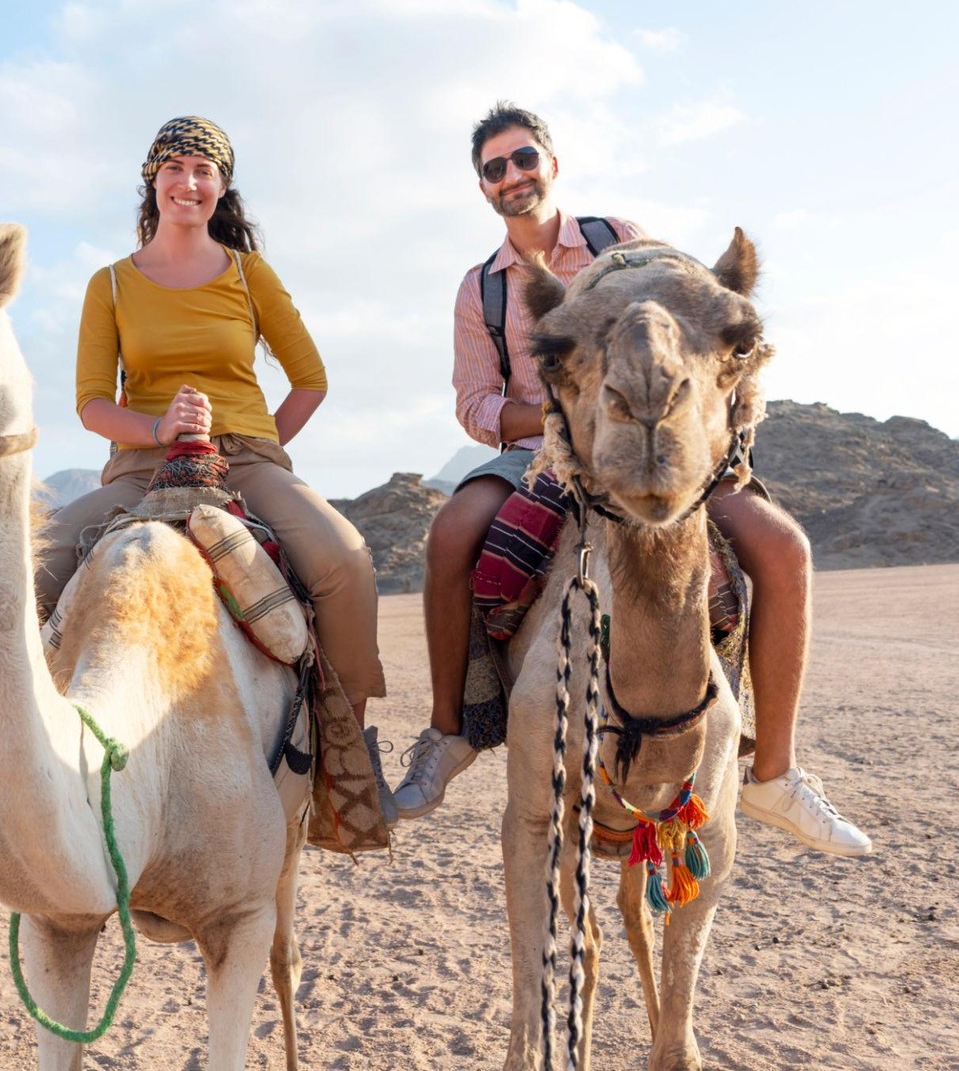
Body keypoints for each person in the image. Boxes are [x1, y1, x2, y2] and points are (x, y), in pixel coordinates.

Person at [393, 101, 871, 859]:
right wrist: (560, 412)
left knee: (783, 551)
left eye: (524, 160)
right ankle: (449, 734)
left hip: (655, 436)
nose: (512, 177)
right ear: (482, 187)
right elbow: (476, 402)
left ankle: (773, 771)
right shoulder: (482, 289)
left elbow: (700, 328)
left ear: (551, 164)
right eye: (495, 169)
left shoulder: (626, 243)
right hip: (545, 445)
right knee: (452, 532)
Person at [36, 115, 398, 828]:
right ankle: (32, 757)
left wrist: (254, 447)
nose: (189, 182)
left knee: (347, 561)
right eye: (176, 166)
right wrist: (158, 429)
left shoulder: (248, 274)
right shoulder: (108, 284)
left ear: (222, 187)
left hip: (244, 462)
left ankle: (346, 756)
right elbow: (89, 403)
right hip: (143, 466)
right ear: (153, 178)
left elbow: (310, 379)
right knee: (24, 565)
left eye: (205, 171)